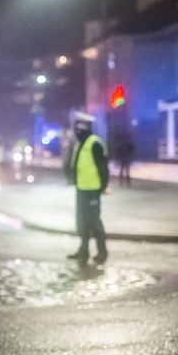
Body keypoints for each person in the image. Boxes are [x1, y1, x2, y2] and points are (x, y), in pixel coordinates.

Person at [62, 112, 109, 266]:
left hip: (92, 190)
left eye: (80, 126)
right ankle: (83, 251)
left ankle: (102, 253)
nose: (77, 129)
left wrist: (104, 186)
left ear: (87, 127)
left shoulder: (94, 143)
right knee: (82, 222)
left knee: (94, 222)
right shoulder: (79, 143)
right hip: (81, 189)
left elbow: (103, 167)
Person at [109, 117, 136, 188]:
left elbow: (118, 150)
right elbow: (132, 149)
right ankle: (127, 183)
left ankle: (121, 182)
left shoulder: (121, 143)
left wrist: (117, 157)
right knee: (127, 170)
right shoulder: (128, 142)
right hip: (126, 157)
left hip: (122, 157)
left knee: (122, 170)